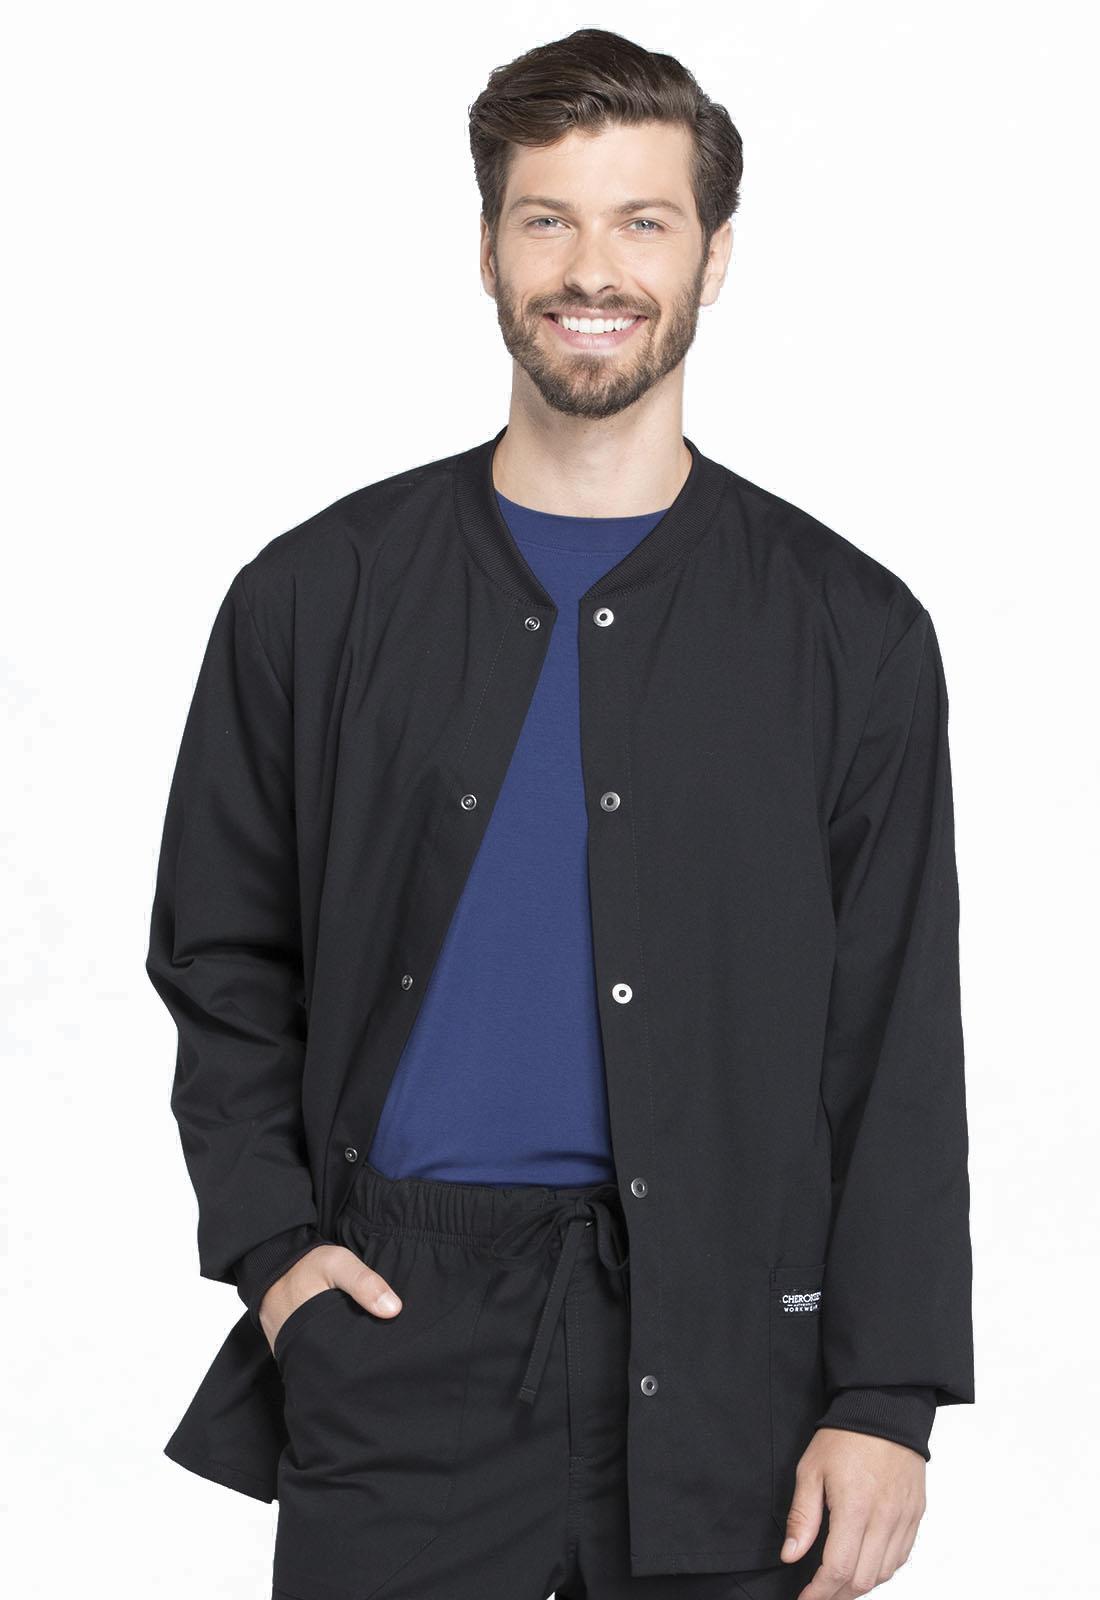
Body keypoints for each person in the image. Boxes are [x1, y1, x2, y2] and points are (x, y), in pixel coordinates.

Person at [146, 26, 974, 1600]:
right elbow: (221, 956)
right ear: (488, 250)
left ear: (714, 257)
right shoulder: (315, 598)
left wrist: (887, 1396)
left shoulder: (850, 632)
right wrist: (275, 1258)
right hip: (398, 1326)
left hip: (732, 1346)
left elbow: (891, 1035)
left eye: (643, 221)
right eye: (549, 219)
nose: (594, 269)